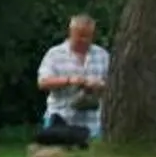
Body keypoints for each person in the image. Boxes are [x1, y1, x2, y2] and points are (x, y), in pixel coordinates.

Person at [35, 13, 110, 145]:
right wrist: (69, 81)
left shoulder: (102, 55)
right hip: (61, 116)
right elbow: (43, 82)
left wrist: (99, 85)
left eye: (88, 36)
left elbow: (115, 85)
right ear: (71, 32)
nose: (84, 40)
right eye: (80, 35)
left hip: (94, 120)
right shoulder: (54, 54)